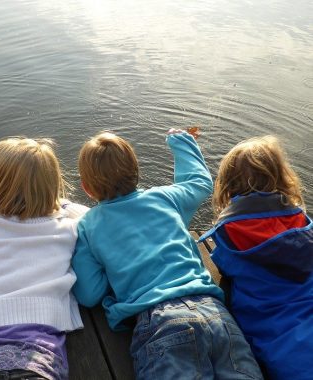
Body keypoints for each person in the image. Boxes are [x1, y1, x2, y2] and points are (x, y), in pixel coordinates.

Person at [71, 130, 263, 380]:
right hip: (216, 313)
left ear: (86, 188)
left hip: (161, 321)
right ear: (136, 172)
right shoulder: (165, 197)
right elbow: (199, 183)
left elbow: (88, 294)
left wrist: (117, 269)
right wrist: (181, 141)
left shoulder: (88, 225)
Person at [0, 137, 87, 380]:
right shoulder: (66, 228)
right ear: (52, 185)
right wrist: (64, 204)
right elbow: (93, 217)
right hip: (37, 347)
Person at [198, 136, 313, 380]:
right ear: (282, 177)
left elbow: (226, 266)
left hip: (277, 331)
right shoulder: (304, 223)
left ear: (227, 185)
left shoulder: (229, 232)